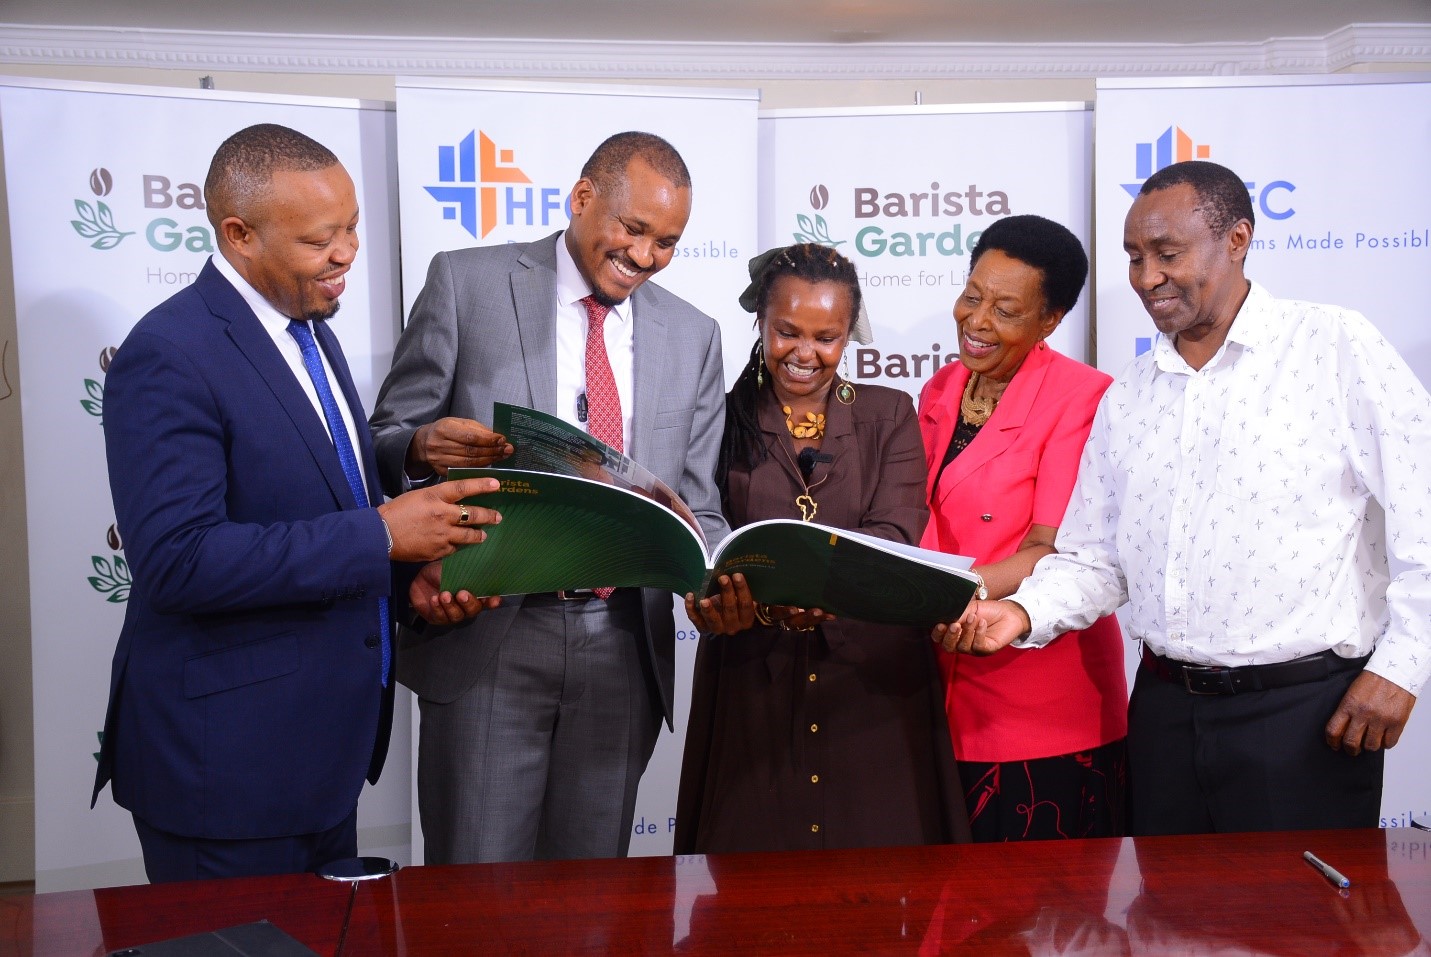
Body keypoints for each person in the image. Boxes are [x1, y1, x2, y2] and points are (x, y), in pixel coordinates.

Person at [937, 160, 1431, 835]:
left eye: (1167, 253)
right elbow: (1094, 560)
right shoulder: (1130, 394)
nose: (1145, 277)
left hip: (1303, 716)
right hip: (1164, 714)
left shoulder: (1333, 347)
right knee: (1169, 930)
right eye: (1135, 257)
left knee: (1300, 935)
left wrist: (1399, 670)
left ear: (1235, 240)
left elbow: (1422, 511)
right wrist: (1019, 614)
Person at [95, 123, 503, 883]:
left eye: (351, 227)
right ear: (239, 235)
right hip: (226, 772)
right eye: (322, 239)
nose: (347, 252)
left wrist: (405, 541)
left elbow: (313, 475)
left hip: (319, 761)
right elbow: (179, 562)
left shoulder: (306, 324)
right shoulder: (169, 354)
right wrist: (382, 536)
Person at [368, 131, 727, 864]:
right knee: (475, 899)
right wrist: (421, 444)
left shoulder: (695, 334)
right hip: (488, 634)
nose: (646, 256)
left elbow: (699, 500)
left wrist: (721, 566)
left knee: (589, 908)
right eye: (634, 229)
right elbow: (385, 437)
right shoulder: (465, 283)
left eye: (668, 241)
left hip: (622, 648)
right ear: (583, 198)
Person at [674, 243, 970, 853]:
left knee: (881, 892)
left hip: (872, 686)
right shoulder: (718, 419)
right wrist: (719, 599)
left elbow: (895, 534)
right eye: (787, 331)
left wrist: (824, 591)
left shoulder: (889, 414)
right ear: (760, 320)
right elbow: (703, 541)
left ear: (847, 336)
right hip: (752, 678)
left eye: (826, 337)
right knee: (752, 887)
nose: (804, 354)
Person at [920, 214, 1127, 841]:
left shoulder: (1084, 397)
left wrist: (950, 593)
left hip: (1039, 696)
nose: (977, 321)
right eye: (972, 296)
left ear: (1050, 321)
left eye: (1006, 310)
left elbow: (1051, 547)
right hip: (940, 686)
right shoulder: (941, 388)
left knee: (1041, 921)